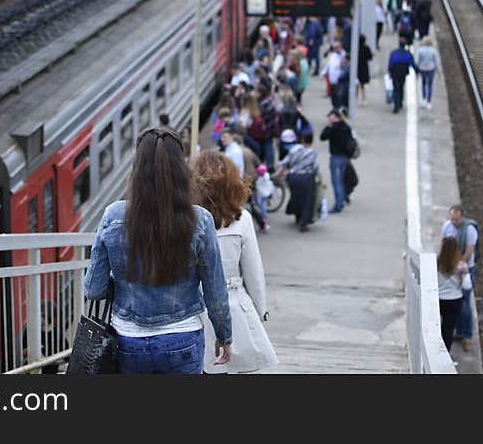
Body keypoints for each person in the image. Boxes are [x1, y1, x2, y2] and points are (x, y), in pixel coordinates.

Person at [83, 127, 232, 373]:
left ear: (137, 169)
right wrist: (224, 336)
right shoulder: (201, 220)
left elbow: (93, 289)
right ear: (181, 170)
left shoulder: (113, 216)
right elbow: (215, 289)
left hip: (128, 342)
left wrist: (123, 278)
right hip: (182, 338)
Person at [191, 151, 278, 373]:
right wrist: (260, 310)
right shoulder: (242, 219)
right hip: (234, 306)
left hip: (194, 309)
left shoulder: (187, 218)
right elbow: (253, 272)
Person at [441, 205, 478, 352]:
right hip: (451, 266)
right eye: (452, 219)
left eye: (456, 219)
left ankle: (466, 335)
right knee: (455, 303)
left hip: (464, 267)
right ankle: (458, 331)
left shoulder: (469, 230)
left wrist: (459, 264)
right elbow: (443, 244)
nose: (454, 222)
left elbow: (469, 251)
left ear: (462, 217)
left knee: (464, 303)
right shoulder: (447, 226)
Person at [276, 131, 318, 232]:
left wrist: (277, 174)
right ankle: (304, 222)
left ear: (302, 140)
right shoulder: (312, 152)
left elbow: (284, 163)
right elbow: (316, 167)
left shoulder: (294, 149)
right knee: (307, 200)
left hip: (293, 177)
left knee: (296, 196)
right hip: (307, 178)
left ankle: (297, 216)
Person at [319, 106, 354, 214]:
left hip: (335, 157)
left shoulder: (333, 128)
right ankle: (342, 199)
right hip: (345, 157)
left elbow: (322, 137)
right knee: (341, 180)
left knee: (336, 182)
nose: (328, 119)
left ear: (334, 117)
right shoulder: (346, 127)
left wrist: (328, 126)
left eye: (330, 117)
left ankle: (338, 205)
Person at [437, 236, 469, 352]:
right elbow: (467, 286)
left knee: (435, 328)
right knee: (448, 329)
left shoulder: (436, 263)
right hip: (455, 300)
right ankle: (446, 354)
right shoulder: (461, 266)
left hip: (438, 300)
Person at [388, 41, 417, 114]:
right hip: (403, 73)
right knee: (401, 87)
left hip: (395, 72)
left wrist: (390, 72)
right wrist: (417, 71)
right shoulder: (407, 54)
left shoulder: (394, 53)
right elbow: (412, 64)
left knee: (396, 88)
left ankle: (396, 106)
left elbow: (391, 63)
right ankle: (400, 102)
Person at [415, 36, 440, 110]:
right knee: (430, 85)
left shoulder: (420, 50)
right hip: (431, 69)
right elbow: (436, 61)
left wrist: (417, 70)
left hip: (422, 69)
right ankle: (429, 102)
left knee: (423, 83)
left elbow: (417, 61)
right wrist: (439, 72)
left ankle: (423, 99)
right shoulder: (433, 50)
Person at [356, 34, 373, 106]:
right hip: (364, 67)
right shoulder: (366, 48)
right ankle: (363, 99)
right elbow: (370, 57)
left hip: (357, 67)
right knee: (362, 85)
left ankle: (356, 97)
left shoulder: (356, 48)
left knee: (356, 83)